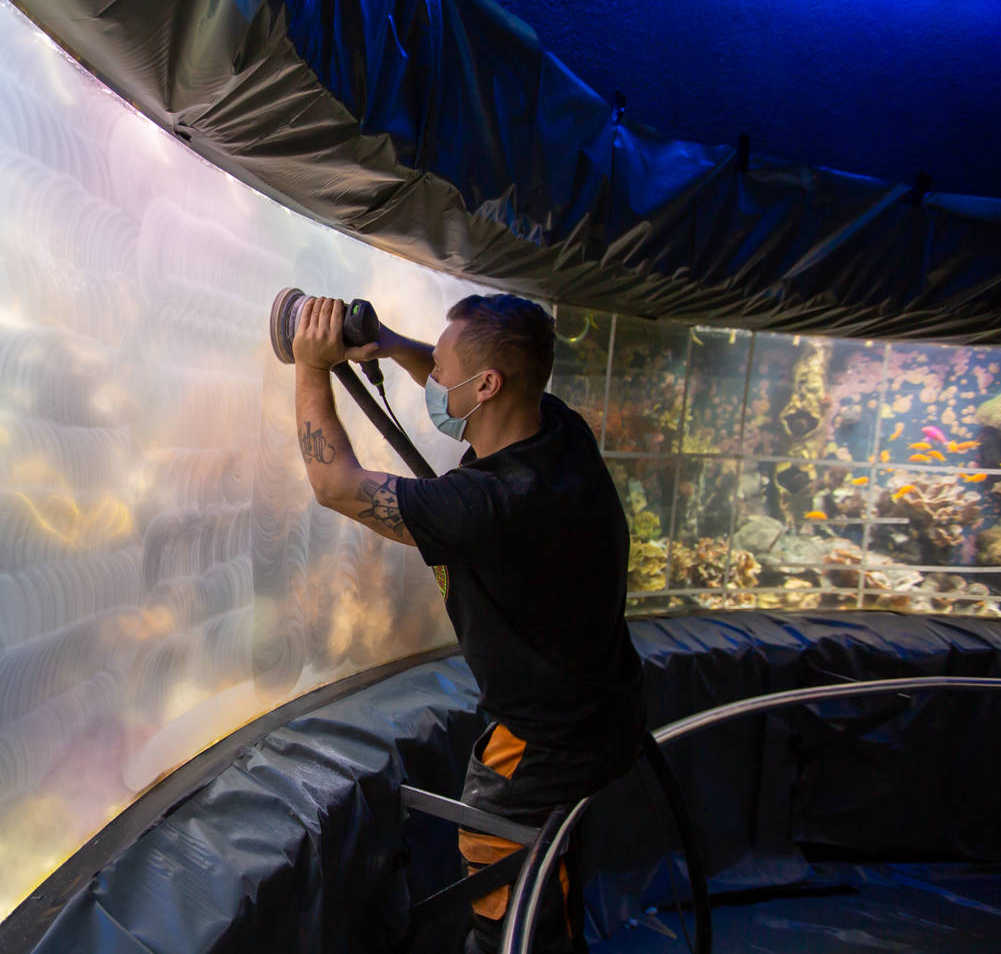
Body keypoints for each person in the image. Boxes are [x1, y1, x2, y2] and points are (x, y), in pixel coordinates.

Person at [292, 293, 646, 953]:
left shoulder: (489, 505)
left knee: (511, 899)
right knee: (554, 877)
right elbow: (457, 374)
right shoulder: (557, 432)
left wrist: (311, 367)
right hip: (603, 708)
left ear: (485, 385)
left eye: (442, 368)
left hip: (543, 742)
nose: (433, 378)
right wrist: (392, 345)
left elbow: (334, 485)